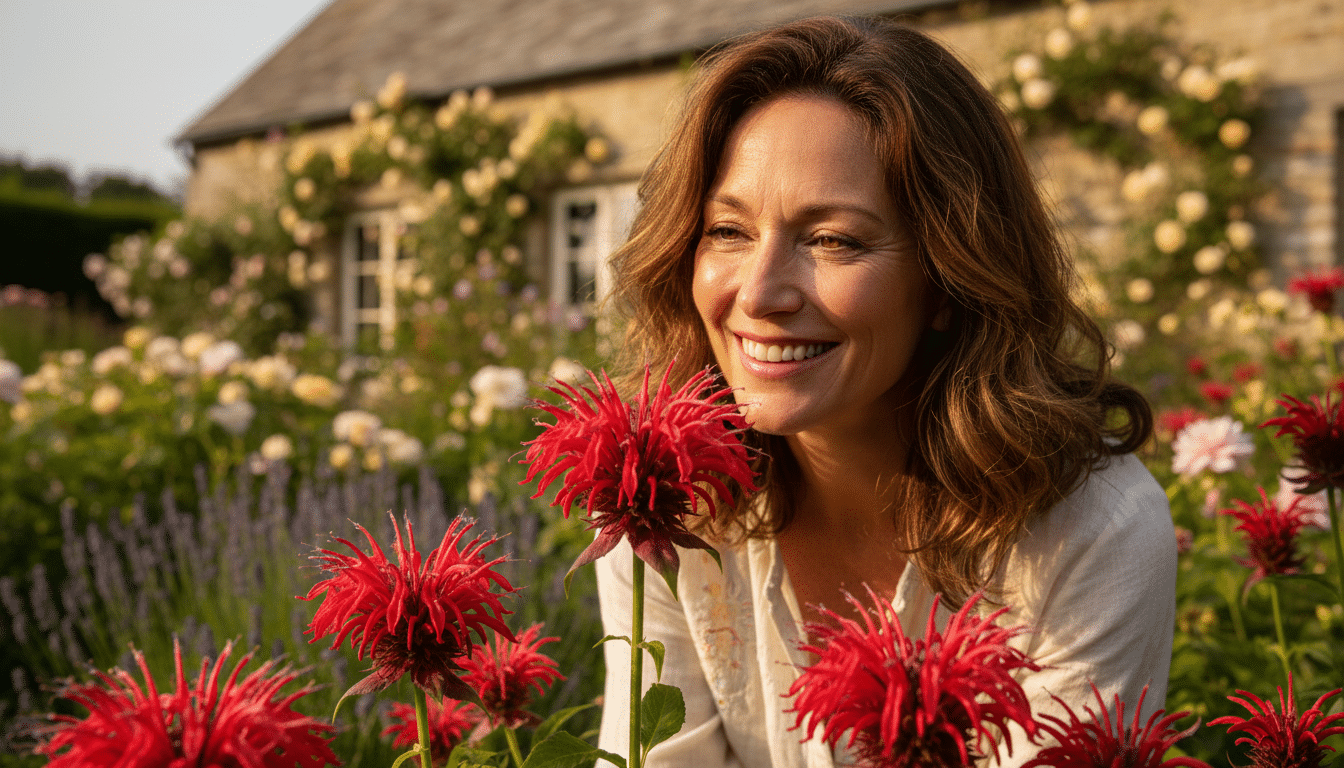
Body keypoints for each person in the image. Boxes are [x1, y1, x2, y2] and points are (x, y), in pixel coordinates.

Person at [595, 15, 1175, 768]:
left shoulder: (1091, 531)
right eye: (728, 231)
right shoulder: (662, 499)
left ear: (948, 280)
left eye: (832, 239)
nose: (760, 293)